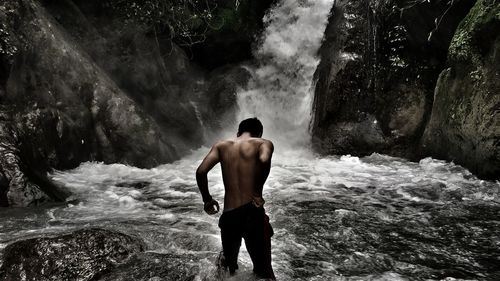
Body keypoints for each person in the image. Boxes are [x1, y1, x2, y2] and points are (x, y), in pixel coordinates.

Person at [196, 117, 276, 280]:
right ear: (259, 133)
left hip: (229, 215)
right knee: (264, 272)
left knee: (227, 270)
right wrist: (256, 192)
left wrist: (207, 200)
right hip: (252, 213)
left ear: (238, 132)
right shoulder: (263, 143)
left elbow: (201, 172)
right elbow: (264, 159)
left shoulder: (221, 146)